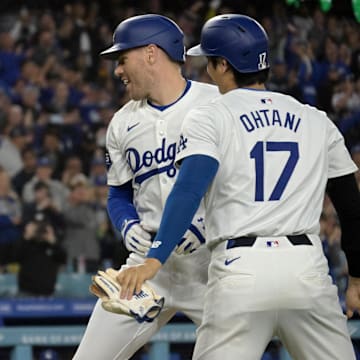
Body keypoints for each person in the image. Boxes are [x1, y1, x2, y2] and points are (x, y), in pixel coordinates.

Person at [117, 14, 360, 360]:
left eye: (210, 62)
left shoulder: (210, 115)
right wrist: (356, 281)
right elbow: (351, 208)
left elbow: (187, 191)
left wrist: (154, 259)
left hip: (240, 269)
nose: (207, 70)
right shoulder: (314, 118)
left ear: (223, 65)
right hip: (307, 269)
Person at [73, 14, 219, 359]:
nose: (117, 71)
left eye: (122, 59)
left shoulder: (217, 104)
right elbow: (118, 193)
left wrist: (205, 223)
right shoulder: (122, 122)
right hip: (147, 267)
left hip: (213, 264)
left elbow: (244, 179)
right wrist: (127, 225)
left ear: (151, 53)